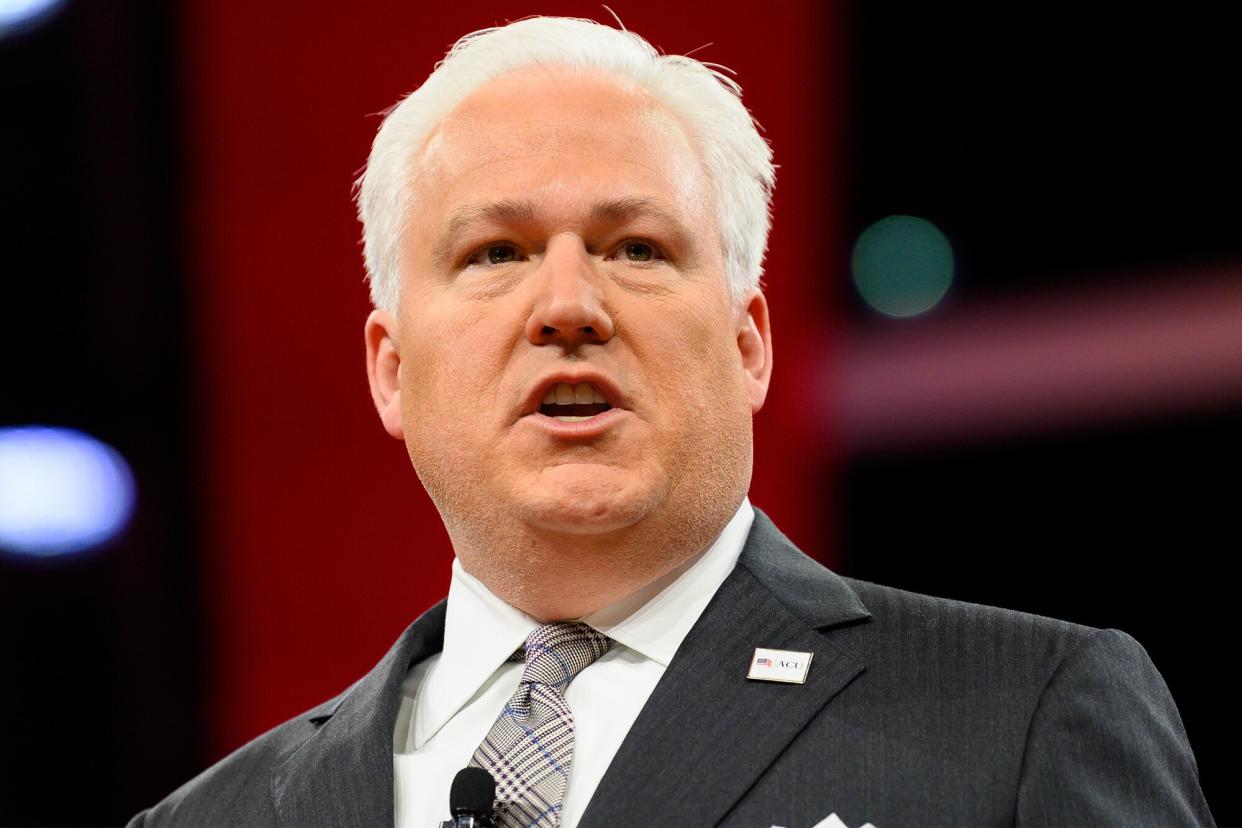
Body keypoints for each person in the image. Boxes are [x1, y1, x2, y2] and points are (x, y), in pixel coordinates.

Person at [129, 16, 1213, 828]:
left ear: (749, 344)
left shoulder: (1020, 714)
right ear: (391, 369)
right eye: (494, 253)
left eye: (636, 248)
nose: (567, 305)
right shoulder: (212, 819)